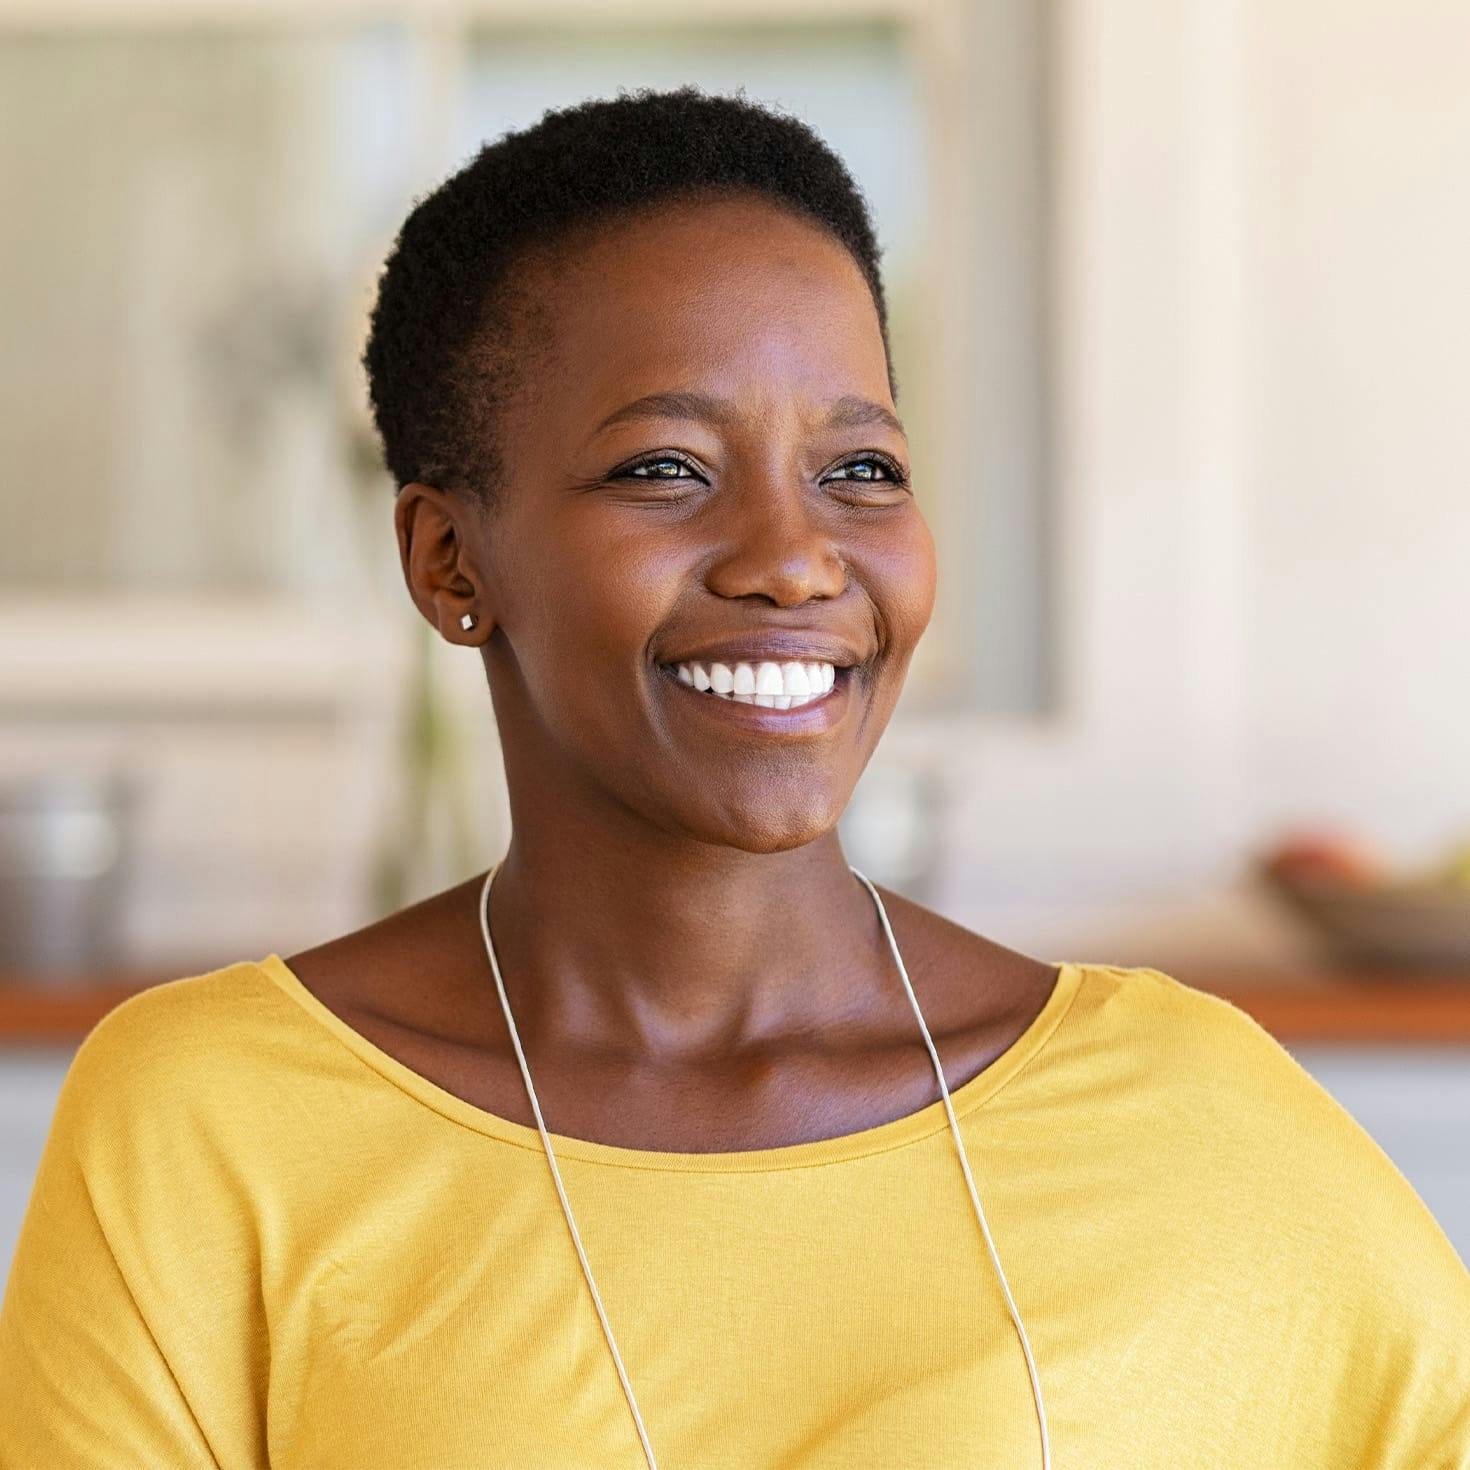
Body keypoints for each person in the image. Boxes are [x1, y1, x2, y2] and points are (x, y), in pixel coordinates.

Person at [2, 85, 1466, 1470]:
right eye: (663, 468)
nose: (792, 556)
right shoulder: (212, 1125)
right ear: (451, 560)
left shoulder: (1187, 1112)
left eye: (861, 470)